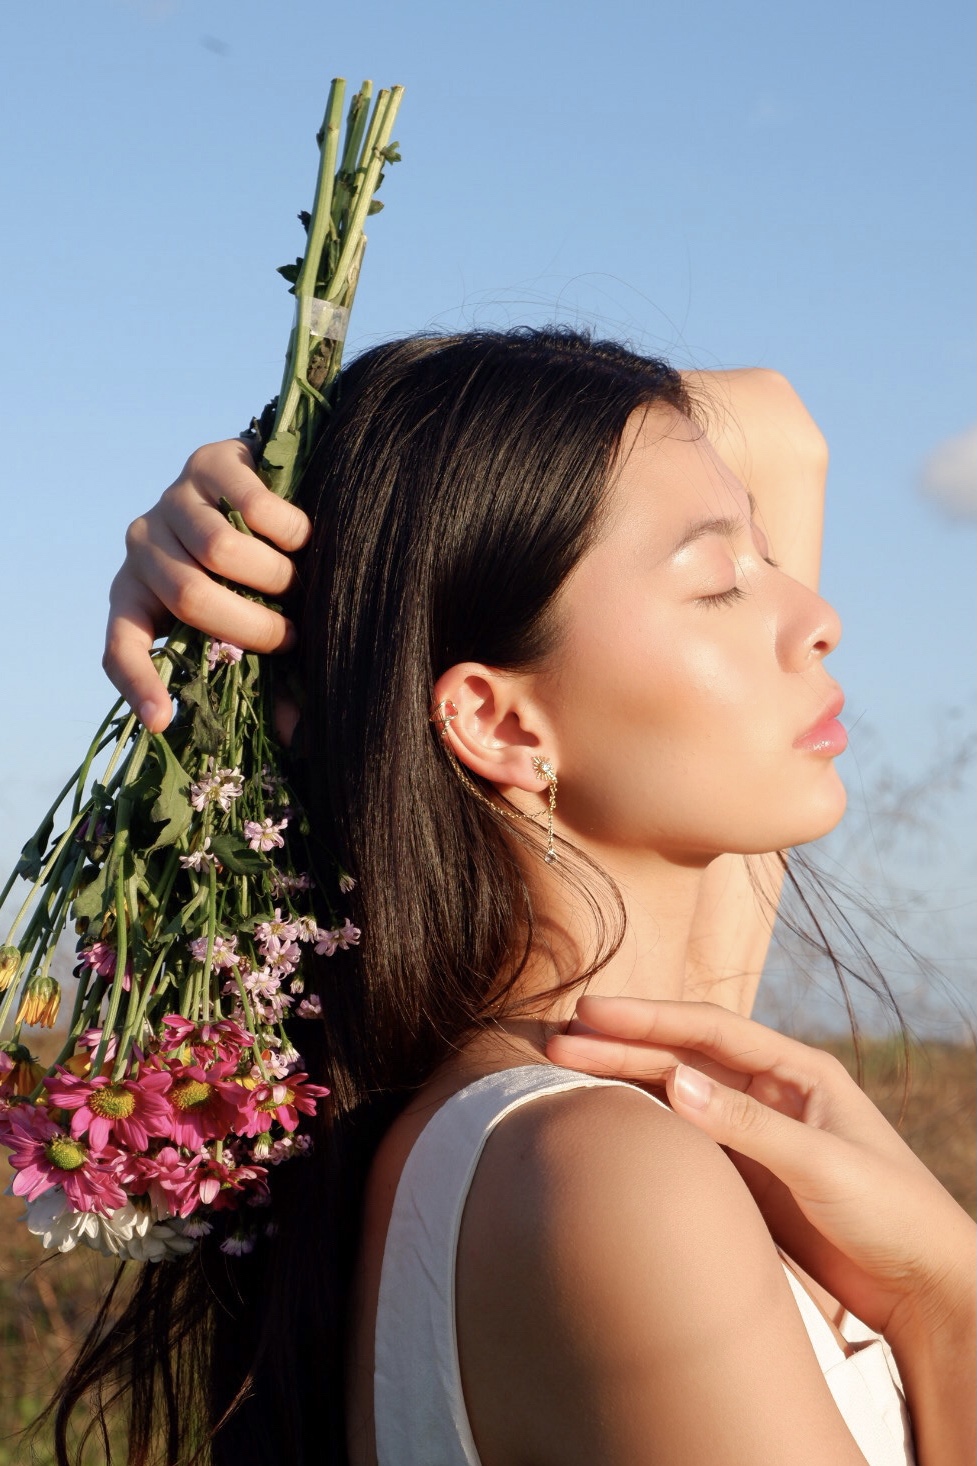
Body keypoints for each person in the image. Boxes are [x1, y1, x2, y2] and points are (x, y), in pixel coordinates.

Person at [71, 330, 973, 1465]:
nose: (814, 615)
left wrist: (293, 483)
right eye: (717, 581)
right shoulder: (605, 1170)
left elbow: (776, 427)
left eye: (766, 553)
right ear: (499, 721)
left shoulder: (591, 1097)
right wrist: (945, 1299)